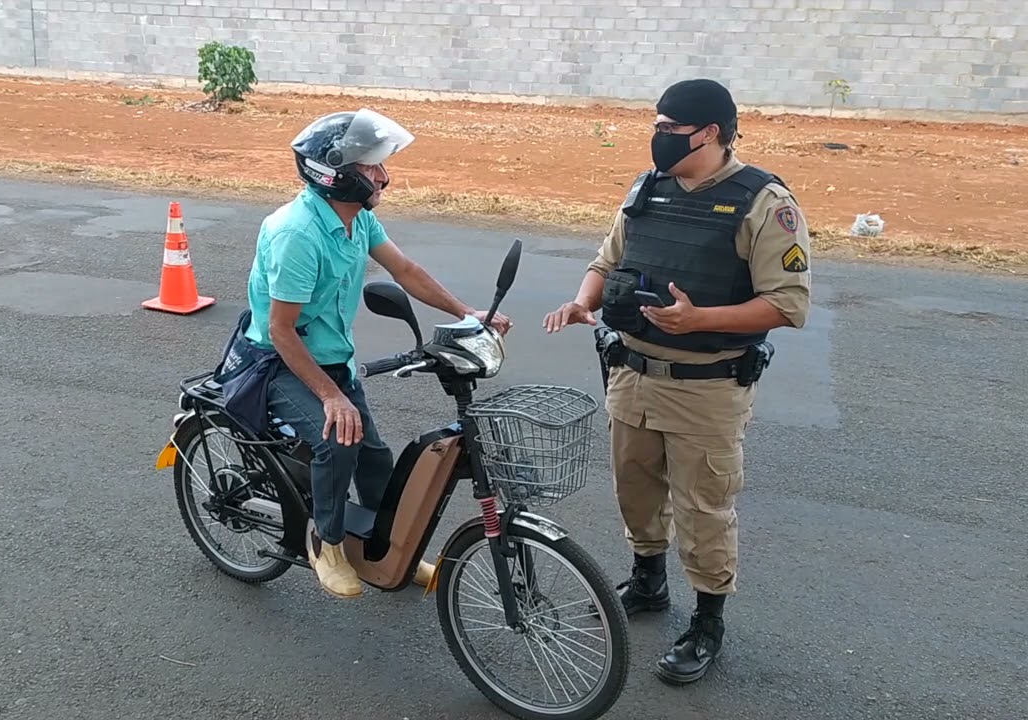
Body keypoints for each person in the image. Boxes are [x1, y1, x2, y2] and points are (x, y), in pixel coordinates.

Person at [543, 78, 811, 685]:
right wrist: (583, 301)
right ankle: (648, 582)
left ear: (710, 132)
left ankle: (707, 622)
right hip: (631, 373)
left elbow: (787, 304)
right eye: (656, 126)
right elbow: (607, 261)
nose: (658, 137)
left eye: (669, 128)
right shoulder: (648, 189)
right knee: (634, 489)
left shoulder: (763, 203)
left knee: (703, 508)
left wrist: (699, 319)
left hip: (706, 387)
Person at [242, 108, 512, 600]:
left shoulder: (358, 220)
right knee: (337, 443)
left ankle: (386, 549)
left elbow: (406, 271)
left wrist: (468, 313)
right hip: (280, 361)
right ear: (337, 174)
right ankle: (325, 544)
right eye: (371, 168)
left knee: (374, 455)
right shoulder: (297, 234)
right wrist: (331, 397)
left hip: (332, 358)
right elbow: (281, 331)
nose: (384, 177)